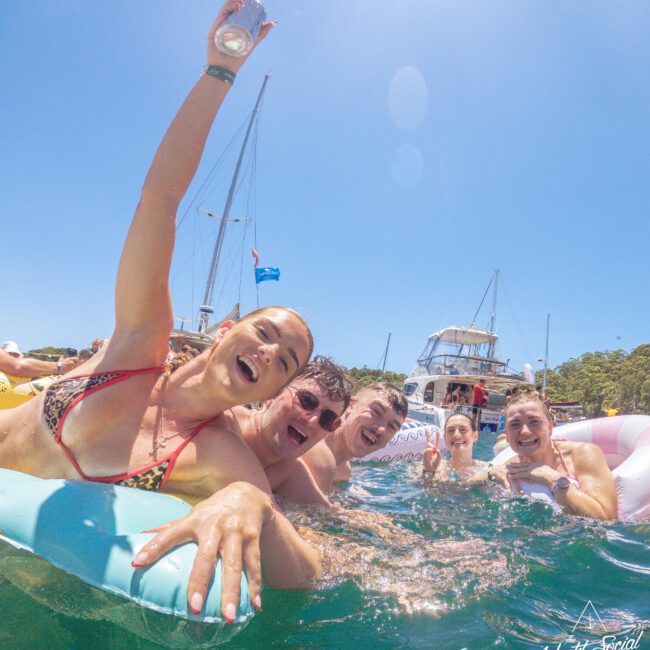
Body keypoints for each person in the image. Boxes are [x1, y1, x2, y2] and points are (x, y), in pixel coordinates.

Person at [0, 1, 320, 620]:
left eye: (286, 362)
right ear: (226, 332)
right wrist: (220, 70)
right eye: (264, 334)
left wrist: (254, 507)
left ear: (277, 386)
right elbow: (161, 198)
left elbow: (307, 574)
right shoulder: (139, 341)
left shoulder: (221, 455)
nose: (269, 354)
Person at [470, 395, 617, 520]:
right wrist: (490, 473)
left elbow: (606, 518)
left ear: (550, 427)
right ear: (507, 436)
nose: (525, 431)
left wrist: (552, 478)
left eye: (534, 421)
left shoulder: (583, 454)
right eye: (515, 424)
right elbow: (459, 488)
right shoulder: (513, 466)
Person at [268, 383, 408, 505]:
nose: (381, 429)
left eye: (392, 427)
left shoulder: (344, 470)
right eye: (376, 412)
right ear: (351, 406)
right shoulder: (317, 453)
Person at [422, 413, 487, 481]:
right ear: (445, 438)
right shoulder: (428, 467)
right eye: (451, 430)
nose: (456, 435)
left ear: (475, 436)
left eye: (463, 429)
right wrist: (429, 472)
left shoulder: (488, 469)